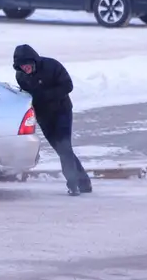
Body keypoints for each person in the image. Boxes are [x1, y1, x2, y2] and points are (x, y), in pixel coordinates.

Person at [12, 45, 92, 196]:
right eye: (22, 66)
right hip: (43, 116)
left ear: (33, 61)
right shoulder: (21, 76)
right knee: (62, 150)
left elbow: (68, 85)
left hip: (62, 112)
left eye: (27, 65)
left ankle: (73, 184)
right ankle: (84, 182)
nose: (26, 69)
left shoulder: (52, 66)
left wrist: (45, 96)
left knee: (65, 147)